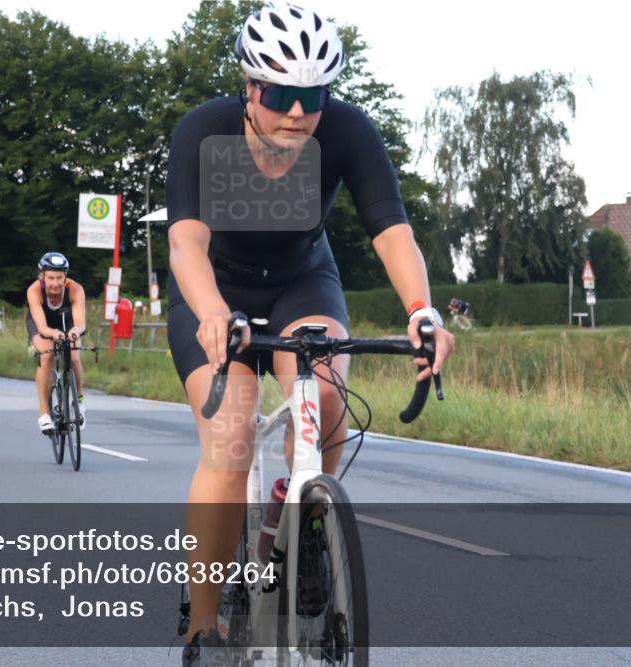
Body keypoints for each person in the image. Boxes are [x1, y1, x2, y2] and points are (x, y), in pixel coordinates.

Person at [165, 3, 456, 662]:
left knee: (325, 394)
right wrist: (212, 311)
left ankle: (310, 529)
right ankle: (202, 620)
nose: (297, 111)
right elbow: (185, 242)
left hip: (301, 279)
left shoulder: (348, 130)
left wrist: (421, 310)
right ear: (249, 88)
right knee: (232, 430)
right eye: (280, 95)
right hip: (217, 287)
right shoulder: (203, 130)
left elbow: (392, 228)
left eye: (313, 96)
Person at [26, 252, 88, 433]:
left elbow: (80, 323)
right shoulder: (34, 290)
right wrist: (54, 334)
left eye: (59, 278)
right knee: (47, 357)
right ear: (42, 277)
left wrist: (75, 331)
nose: (55, 283)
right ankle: (44, 414)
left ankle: (80, 403)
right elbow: (43, 328)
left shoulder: (75, 289)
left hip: (66, 320)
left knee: (74, 358)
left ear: (65, 277)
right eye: (51, 278)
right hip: (41, 324)